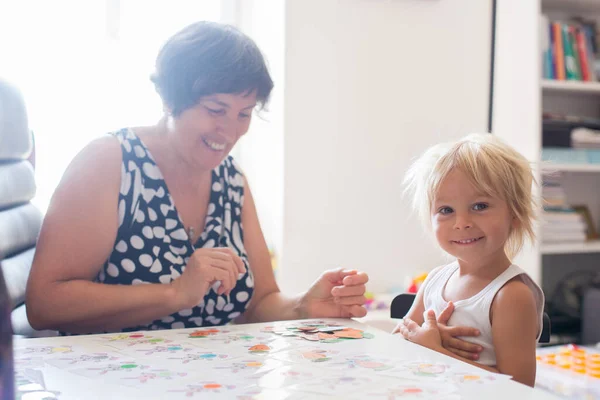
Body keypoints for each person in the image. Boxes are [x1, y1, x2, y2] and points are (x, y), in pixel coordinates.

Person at [25, 21, 369, 335]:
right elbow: (45, 306)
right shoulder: (109, 162)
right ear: (171, 99)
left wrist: (303, 307)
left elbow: (259, 302)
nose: (230, 130)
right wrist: (174, 293)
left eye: (244, 114)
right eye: (216, 110)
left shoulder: (231, 180)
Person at [393, 133, 544, 387]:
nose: (461, 223)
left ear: (515, 214)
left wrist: (436, 351)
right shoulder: (435, 280)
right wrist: (424, 339)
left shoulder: (510, 295)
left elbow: (519, 386)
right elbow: (399, 337)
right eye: (446, 210)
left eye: (480, 206)